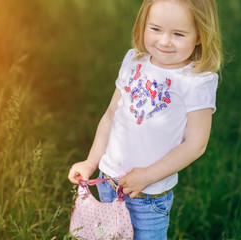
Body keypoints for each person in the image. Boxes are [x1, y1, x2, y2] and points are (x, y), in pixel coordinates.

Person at [68, 0, 222, 238]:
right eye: (156, 29)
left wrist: (147, 176)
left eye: (178, 34)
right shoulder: (134, 61)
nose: (164, 41)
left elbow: (196, 144)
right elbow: (111, 115)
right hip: (108, 181)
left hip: (147, 198)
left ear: (200, 35)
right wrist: (90, 162)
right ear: (143, 24)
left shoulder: (196, 80)